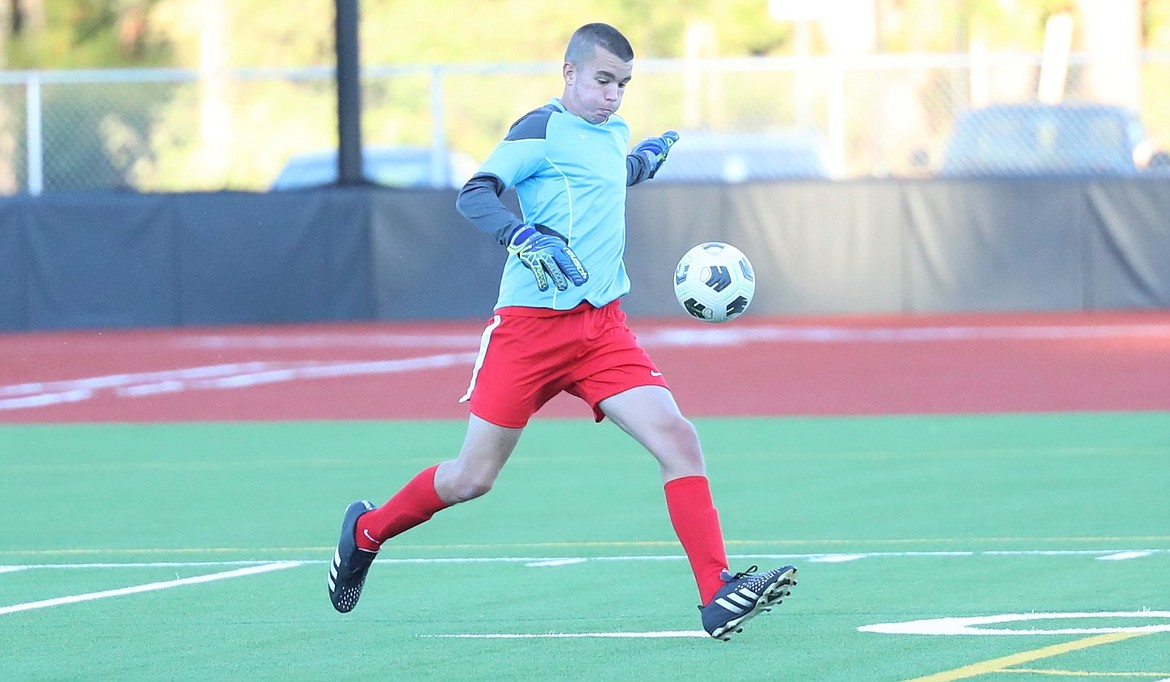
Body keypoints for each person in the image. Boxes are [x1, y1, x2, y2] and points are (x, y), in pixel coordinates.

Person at [327, 22, 797, 641]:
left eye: (624, 85)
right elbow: (476, 193)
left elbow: (595, 179)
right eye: (604, 80)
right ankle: (366, 532)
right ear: (570, 73)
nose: (613, 96)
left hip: (602, 329)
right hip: (530, 332)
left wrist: (638, 165)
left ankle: (716, 593)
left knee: (679, 440)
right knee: (472, 478)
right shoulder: (537, 130)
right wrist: (519, 233)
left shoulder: (613, 132)